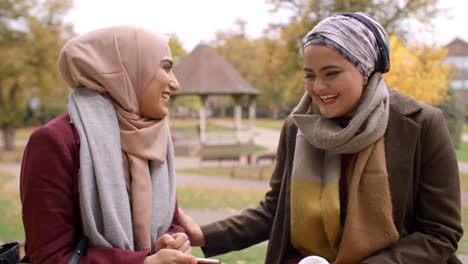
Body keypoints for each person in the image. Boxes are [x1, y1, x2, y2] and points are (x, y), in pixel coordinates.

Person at [178, 12, 463, 264]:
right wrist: (203, 234)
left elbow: (440, 233)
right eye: (309, 75)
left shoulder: (421, 125)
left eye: (331, 73)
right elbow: (276, 210)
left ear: (365, 71)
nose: (318, 87)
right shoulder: (297, 127)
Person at [20, 25, 197, 264]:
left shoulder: (155, 136)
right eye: (166, 68)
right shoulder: (56, 141)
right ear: (127, 70)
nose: (175, 84)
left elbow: (170, 220)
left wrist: (174, 240)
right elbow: (49, 256)